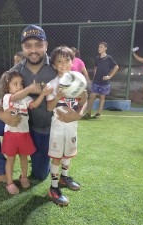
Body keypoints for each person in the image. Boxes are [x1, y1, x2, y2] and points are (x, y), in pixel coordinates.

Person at [0, 25, 80, 190]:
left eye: (38, 45)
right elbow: (3, 97)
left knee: (40, 175)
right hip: (19, 122)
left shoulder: (57, 67)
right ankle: (0, 170)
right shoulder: (16, 70)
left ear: (46, 45)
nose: (33, 50)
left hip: (44, 127)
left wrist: (78, 113)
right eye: (28, 46)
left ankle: (37, 159)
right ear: (23, 48)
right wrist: (2, 114)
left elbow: (78, 92)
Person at [0, 71, 52, 194]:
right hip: (11, 135)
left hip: (24, 134)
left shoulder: (25, 98)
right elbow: (15, 97)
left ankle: (23, 177)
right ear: (7, 86)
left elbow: (34, 105)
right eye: (15, 84)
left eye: (21, 83)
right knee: (10, 159)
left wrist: (42, 94)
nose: (19, 86)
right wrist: (29, 89)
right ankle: (10, 182)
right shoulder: (7, 97)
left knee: (24, 157)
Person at [46, 46, 87, 206]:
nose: (63, 64)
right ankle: (53, 187)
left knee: (67, 154)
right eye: (59, 61)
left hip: (72, 126)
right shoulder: (52, 84)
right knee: (56, 156)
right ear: (54, 65)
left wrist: (81, 106)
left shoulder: (78, 81)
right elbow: (50, 108)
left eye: (67, 60)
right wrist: (57, 97)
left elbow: (83, 103)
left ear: (72, 62)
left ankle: (64, 177)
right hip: (58, 127)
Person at [83, 42, 119, 119]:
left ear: (105, 48)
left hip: (104, 82)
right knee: (92, 96)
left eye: (101, 47)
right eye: (99, 47)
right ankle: (88, 113)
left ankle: (98, 113)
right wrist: (95, 74)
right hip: (96, 80)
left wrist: (109, 76)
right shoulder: (97, 58)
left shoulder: (109, 58)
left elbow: (116, 67)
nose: (99, 48)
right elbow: (95, 67)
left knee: (102, 97)